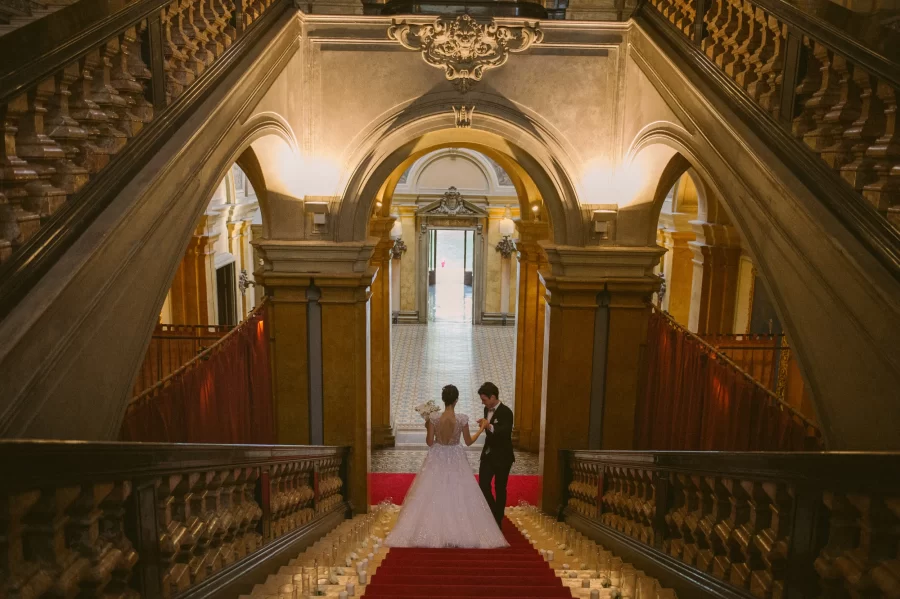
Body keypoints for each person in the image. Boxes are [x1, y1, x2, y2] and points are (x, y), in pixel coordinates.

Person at [384, 384, 509, 548]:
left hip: (437, 454)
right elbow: (469, 442)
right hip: (456, 455)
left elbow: (429, 442)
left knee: (432, 489)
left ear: (443, 400)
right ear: (456, 400)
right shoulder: (462, 418)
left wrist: (428, 427)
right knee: (458, 490)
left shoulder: (434, 418)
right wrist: (481, 429)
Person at [476, 381, 515, 528]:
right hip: (488, 455)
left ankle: (498, 519)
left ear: (493, 397)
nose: (482, 403)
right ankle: (493, 513)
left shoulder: (506, 412)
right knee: (483, 485)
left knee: (500, 488)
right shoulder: (487, 410)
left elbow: (504, 431)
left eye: (484, 400)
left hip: (503, 457)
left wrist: (489, 426)